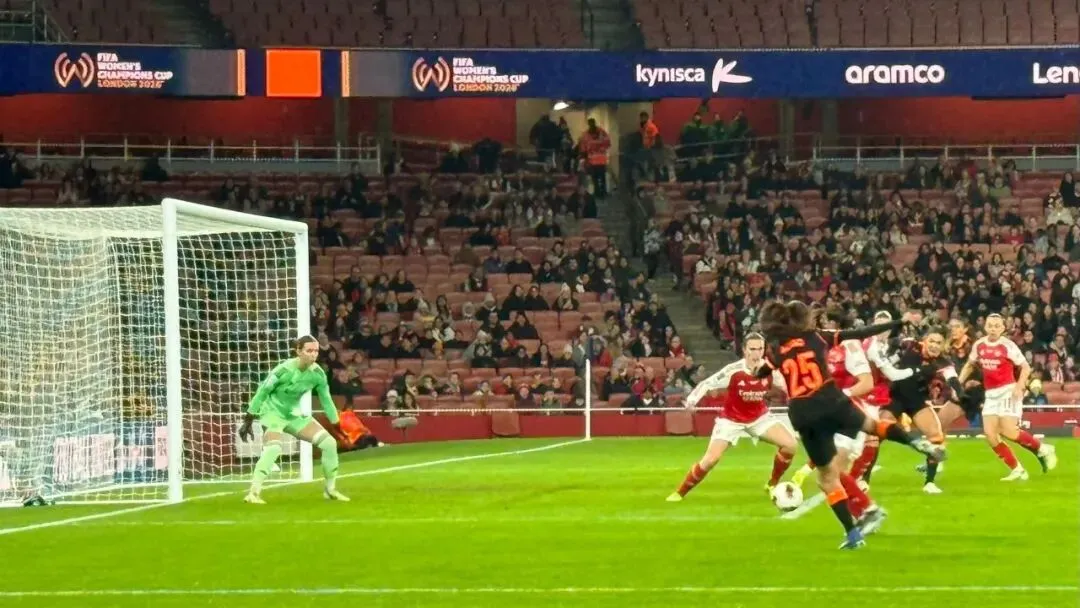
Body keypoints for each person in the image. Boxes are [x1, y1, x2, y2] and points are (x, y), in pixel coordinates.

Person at [756, 301, 943, 550]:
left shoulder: (776, 349)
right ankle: (916, 442)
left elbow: (761, 372)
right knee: (873, 426)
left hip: (803, 412)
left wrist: (761, 368)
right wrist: (898, 322)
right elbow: (861, 332)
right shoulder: (817, 337)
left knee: (827, 479)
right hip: (832, 399)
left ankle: (853, 533)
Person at [667, 334, 797, 503]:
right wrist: (692, 400)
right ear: (744, 350)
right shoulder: (733, 370)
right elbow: (707, 383)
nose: (757, 353)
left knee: (790, 445)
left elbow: (789, 387)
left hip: (759, 417)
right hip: (731, 420)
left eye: (760, 349)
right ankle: (680, 493)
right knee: (710, 460)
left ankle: (772, 484)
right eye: (752, 349)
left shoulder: (770, 370)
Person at [789, 310, 885, 526]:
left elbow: (867, 382)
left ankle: (867, 511)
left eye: (825, 323)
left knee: (831, 475)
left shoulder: (849, 346)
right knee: (829, 476)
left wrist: (839, 398)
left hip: (847, 414)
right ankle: (865, 514)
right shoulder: (813, 349)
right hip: (830, 416)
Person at [238, 335, 349, 504]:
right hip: (272, 413)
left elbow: (326, 400)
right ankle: (253, 493)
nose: (313, 354)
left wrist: (336, 424)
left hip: (293, 414)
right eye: (309, 351)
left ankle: (330, 490)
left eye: (316, 351)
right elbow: (262, 392)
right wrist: (249, 419)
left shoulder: (318, 374)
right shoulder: (282, 371)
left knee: (329, 443)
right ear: (298, 351)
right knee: (274, 449)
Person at [959, 314, 1057, 480]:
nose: (993, 329)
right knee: (990, 434)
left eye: (997, 326)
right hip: (991, 394)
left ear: (1003, 328)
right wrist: (958, 382)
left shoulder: (1008, 346)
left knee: (1009, 431)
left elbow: (1025, 367)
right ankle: (1017, 470)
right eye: (990, 325)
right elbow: (969, 364)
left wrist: (1019, 386)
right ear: (985, 327)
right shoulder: (979, 345)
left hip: (1008, 391)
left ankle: (1042, 448)